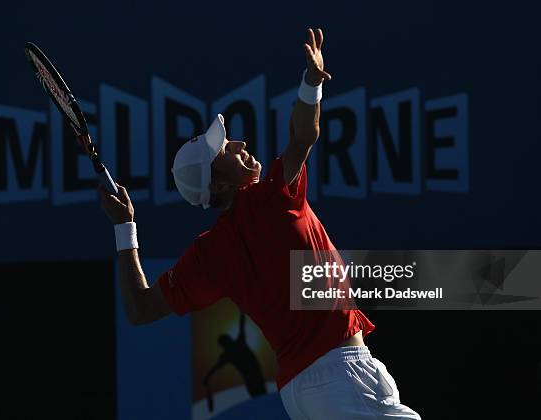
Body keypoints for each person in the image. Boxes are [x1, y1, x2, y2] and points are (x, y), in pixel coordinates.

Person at [99, 28, 421, 419]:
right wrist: (311, 84)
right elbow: (305, 134)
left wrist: (125, 228)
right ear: (218, 183)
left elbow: (141, 308)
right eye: (225, 151)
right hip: (343, 375)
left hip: (298, 394)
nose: (239, 145)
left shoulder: (208, 253)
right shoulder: (269, 199)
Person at [203, 312, 267, 400]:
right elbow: (241, 325)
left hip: (253, 376)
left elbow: (241, 325)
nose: (229, 338)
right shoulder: (234, 347)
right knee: (261, 397)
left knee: (260, 397)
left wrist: (207, 376)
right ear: (227, 341)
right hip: (253, 376)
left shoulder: (229, 352)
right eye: (227, 338)